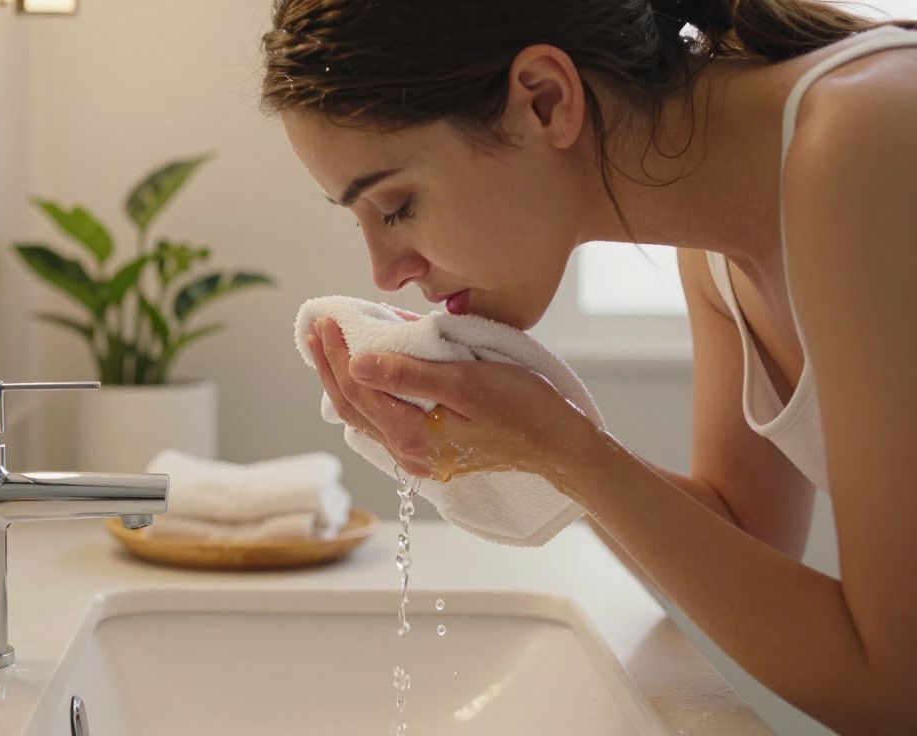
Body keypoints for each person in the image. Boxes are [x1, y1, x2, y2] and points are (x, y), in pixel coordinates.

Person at [261, 1, 917, 732]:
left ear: (545, 99)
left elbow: (896, 688)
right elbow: (743, 543)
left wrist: (564, 451)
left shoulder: (869, 137)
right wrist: (525, 444)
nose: (385, 271)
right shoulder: (718, 242)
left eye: (397, 205)